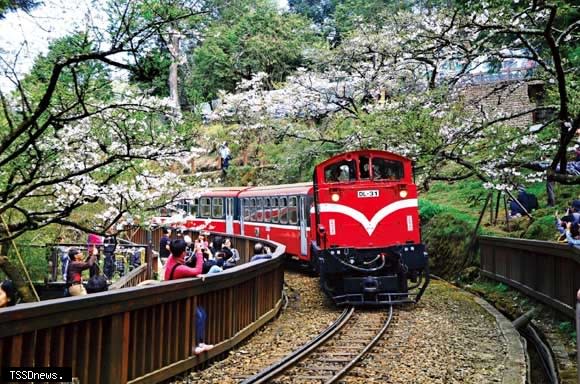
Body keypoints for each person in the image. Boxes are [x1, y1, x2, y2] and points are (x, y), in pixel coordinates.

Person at [164, 239, 214, 355]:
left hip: (175, 297)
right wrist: (199, 252)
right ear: (182, 253)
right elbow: (197, 269)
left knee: (201, 312)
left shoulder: (172, 259)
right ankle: (197, 344)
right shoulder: (180, 268)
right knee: (199, 314)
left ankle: (200, 343)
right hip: (176, 301)